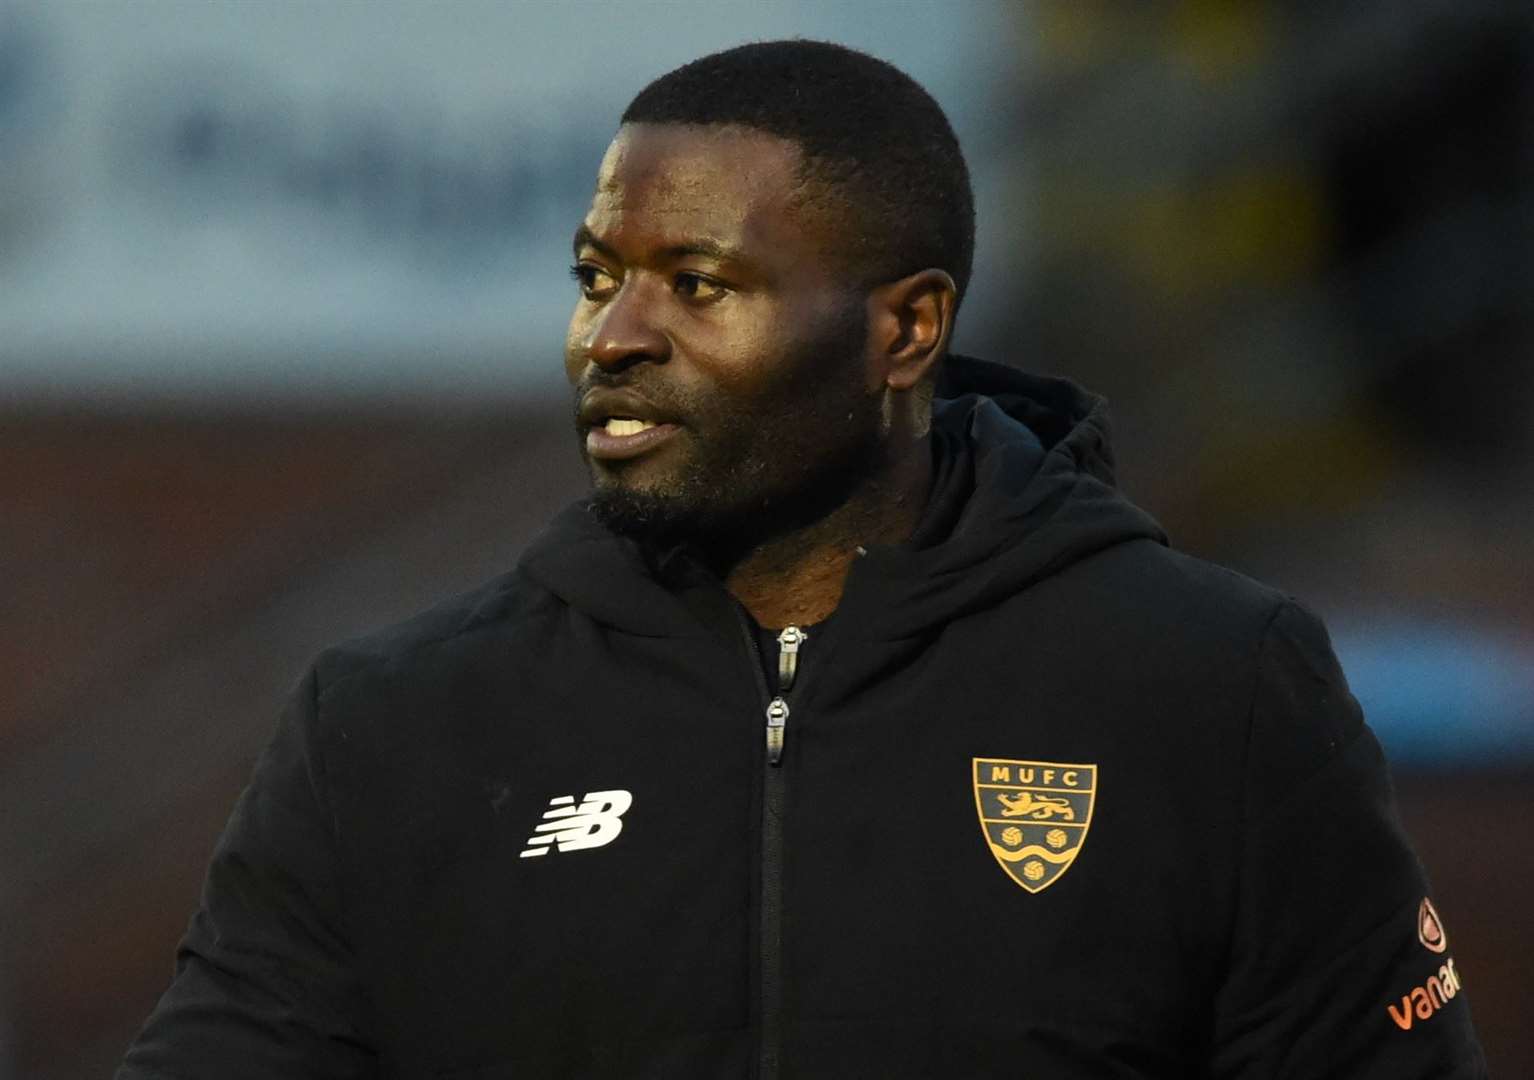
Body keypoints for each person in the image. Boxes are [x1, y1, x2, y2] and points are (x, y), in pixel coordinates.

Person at [118, 40, 1487, 1079]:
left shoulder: (1206, 684)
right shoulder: (397, 721)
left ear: (904, 331)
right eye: (599, 276)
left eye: (698, 286)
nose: (611, 337)